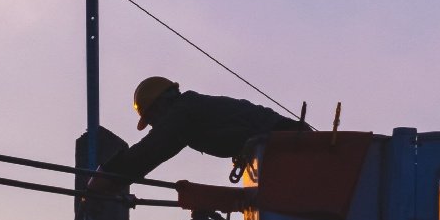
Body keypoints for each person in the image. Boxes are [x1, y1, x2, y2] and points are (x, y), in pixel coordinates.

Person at [87, 77, 308, 193]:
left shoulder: (185, 113)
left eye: (152, 120)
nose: (155, 126)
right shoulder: (190, 112)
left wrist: (105, 178)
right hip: (289, 145)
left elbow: (151, 151)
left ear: (160, 106)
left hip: (291, 144)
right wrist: (115, 183)